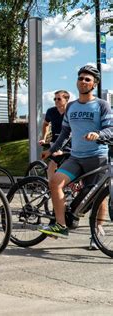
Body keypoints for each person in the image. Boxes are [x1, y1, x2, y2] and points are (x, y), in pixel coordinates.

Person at [39, 65, 113, 241]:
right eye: (80, 78)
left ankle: (97, 231)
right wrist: (51, 149)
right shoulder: (71, 106)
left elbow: (110, 128)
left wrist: (99, 134)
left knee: (97, 197)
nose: (83, 81)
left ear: (94, 84)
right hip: (76, 157)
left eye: (88, 79)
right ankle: (60, 225)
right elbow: (65, 132)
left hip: (97, 157)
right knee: (55, 182)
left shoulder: (102, 105)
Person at [39, 90, 70, 180]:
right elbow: (45, 124)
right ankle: (51, 189)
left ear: (66, 100)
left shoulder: (71, 112)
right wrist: (43, 139)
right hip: (55, 142)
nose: (56, 101)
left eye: (59, 99)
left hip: (69, 142)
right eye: (54, 99)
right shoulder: (51, 111)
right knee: (52, 167)